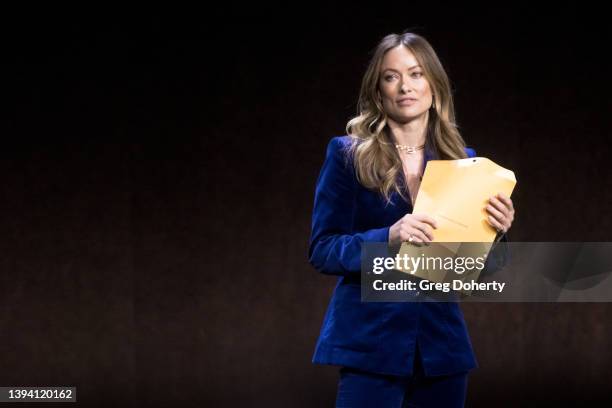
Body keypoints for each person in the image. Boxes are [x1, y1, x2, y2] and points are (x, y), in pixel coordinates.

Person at [307, 32, 515, 407]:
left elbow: (481, 271)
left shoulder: (464, 160)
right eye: (391, 76)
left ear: (434, 87)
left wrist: (497, 233)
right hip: (370, 344)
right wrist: (388, 234)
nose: (405, 86)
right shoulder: (347, 155)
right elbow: (323, 249)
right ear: (378, 90)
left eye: (416, 74)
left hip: (441, 350)